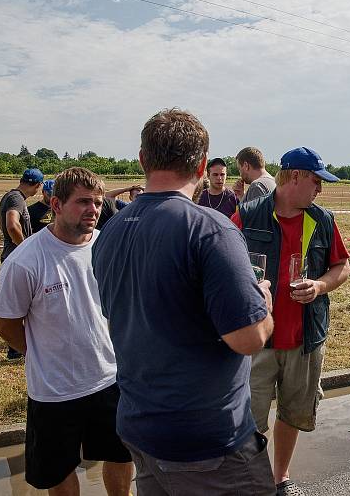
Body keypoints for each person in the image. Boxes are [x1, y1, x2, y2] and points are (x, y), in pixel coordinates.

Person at [92, 108, 276, 496]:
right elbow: (249, 338)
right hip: (206, 440)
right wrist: (264, 304)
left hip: (138, 423)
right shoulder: (210, 229)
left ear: (143, 159)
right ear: (203, 164)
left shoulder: (109, 232)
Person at [0, 167, 133, 495]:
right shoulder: (26, 260)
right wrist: (41, 352)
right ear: (55, 205)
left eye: (98, 203)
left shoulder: (106, 246)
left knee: (121, 453)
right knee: (58, 470)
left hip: (109, 378)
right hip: (55, 391)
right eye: (83, 202)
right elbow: (7, 326)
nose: (94, 210)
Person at [231, 146, 350, 495]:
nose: (320, 189)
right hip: (258, 340)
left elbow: (342, 266)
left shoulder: (323, 219)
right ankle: (251, 483)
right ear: (294, 177)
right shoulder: (248, 215)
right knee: (247, 421)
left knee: (293, 413)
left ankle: (279, 478)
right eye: (316, 181)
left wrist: (320, 285)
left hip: (304, 340)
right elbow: (222, 265)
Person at [0, 167, 43, 359]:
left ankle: (16, 349)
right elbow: (11, 224)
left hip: (11, 254)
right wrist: (25, 247)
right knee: (22, 305)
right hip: (16, 257)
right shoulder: (17, 199)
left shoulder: (10, 196)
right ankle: (17, 349)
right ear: (38, 185)